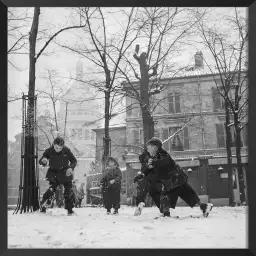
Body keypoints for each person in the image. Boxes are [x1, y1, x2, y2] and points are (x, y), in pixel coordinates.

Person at [135, 137, 213, 218]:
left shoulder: (162, 154)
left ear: (155, 147)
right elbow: (151, 169)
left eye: (149, 148)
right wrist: (145, 171)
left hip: (174, 180)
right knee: (188, 194)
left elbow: (164, 163)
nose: (147, 150)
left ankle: (166, 215)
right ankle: (204, 207)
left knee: (165, 197)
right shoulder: (155, 157)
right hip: (177, 180)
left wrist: (153, 164)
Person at [39, 137, 77, 215]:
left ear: (63, 147)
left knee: (68, 190)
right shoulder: (49, 151)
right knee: (52, 189)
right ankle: (44, 205)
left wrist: (71, 168)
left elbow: (74, 161)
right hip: (54, 173)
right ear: (53, 145)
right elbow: (41, 159)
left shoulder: (67, 151)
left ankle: (69, 209)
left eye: (60, 148)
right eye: (56, 148)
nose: (58, 149)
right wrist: (44, 161)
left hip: (65, 173)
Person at [133, 149, 163, 216]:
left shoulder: (156, 156)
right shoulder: (146, 158)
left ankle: (164, 209)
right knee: (141, 194)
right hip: (146, 180)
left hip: (154, 181)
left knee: (157, 195)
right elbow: (143, 170)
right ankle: (140, 205)